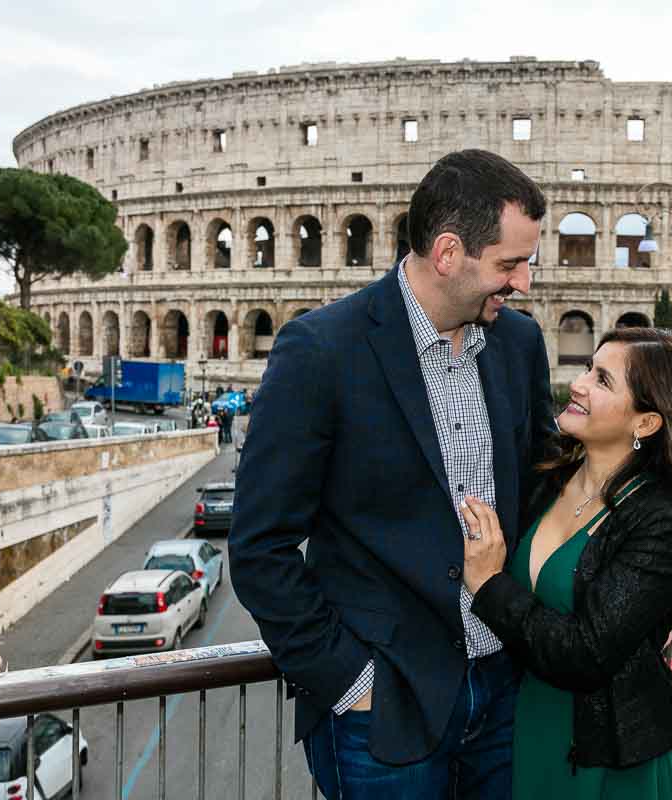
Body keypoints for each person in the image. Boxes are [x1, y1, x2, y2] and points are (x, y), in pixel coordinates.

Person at [229, 149, 555, 799]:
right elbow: (260, 545)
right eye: (508, 265)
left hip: (503, 690)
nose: (523, 284)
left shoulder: (519, 346)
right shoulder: (322, 350)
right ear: (447, 252)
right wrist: (350, 682)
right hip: (385, 706)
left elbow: (546, 488)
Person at [460, 327, 672, 799]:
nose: (579, 383)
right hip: (528, 730)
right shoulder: (548, 479)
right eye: (588, 369)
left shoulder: (664, 519)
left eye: (603, 380)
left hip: (614, 758)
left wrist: (489, 585)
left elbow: (585, 655)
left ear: (645, 423)